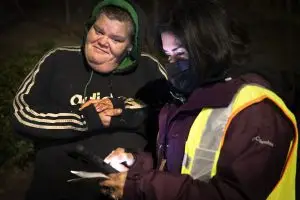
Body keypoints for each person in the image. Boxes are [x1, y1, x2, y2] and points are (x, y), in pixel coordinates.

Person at [99, 0, 298, 199]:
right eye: (168, 56)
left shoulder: (256, 112)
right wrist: (136, 163)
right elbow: (178, 165)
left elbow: (233, 194)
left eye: (180, 55)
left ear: (209, 49)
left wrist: (142, 186)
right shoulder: (186, 97)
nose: (173, 65)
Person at [12, 0, 170, 199]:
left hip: (125, 191)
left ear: (130, 46)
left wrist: (124, 114)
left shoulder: (149, 69)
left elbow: (172, 124)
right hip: (54, 190)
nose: (103, 41)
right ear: (89, 28)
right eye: (99, 31)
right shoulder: (57, 60)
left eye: (116, 39)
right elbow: (21, 113)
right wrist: (85, 119)